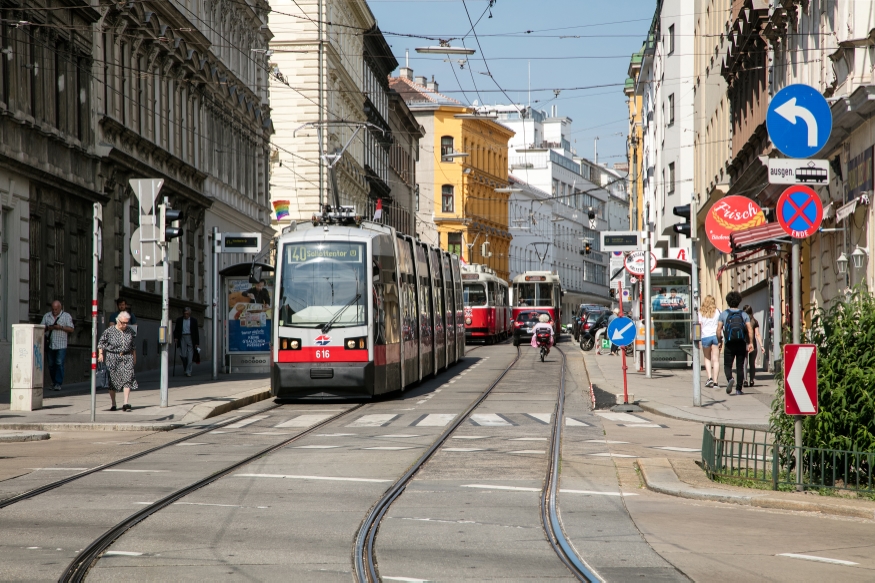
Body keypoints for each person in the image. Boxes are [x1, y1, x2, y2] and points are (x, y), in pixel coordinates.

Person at [97, 311, 138, 411]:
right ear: (117, 321)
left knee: (128, 379)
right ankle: (113, 403)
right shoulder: (109, 331)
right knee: (112, 382)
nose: (125, 325)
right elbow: (101, 342)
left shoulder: (130, 331)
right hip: (113, 357)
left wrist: (134, 357)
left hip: (127, 357)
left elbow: (133, 346)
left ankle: (125, 403)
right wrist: (100, 354)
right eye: (123, 322)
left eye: (126, 322)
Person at [716, 291, 754, 395]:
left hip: (729, 343)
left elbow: (718, 329)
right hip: (741, 342)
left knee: (727, 365)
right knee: (740, 366)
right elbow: (750, 329)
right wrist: (750, 343)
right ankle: (738, 389)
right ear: (739, 301)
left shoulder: (724, 314)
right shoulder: (743, 314)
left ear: (728, 301)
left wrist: (719, 341)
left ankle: (729, 379)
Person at [41, 300, 74, 391]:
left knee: (59, 363)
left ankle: (58, 383)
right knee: (51, 365)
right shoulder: (47, 316)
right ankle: (54, 382)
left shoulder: (66, 316)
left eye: (56, 309)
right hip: (50, 344)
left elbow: (71, 329)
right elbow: (40, 328)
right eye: (53, 309)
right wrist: (49, 328)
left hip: (61, 344)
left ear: (60, 308)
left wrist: (61, 327)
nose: (54, 311)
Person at [699, 295, 721, 388]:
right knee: (716, 360)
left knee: (707, 358)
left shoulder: (701, 312)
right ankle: (716, 382)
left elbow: (699, 326)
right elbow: (720, 325)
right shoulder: (718, 311)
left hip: (705, 336)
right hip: (715, 336)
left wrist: (699, 340)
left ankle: (709, 378)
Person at [742, 305, 765, 387]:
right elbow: (757, 334)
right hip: (753, 344)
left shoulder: (742, 321)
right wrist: (762, 346)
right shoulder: (754, 321)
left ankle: (745, 380)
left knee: (744, 363)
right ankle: (751, 380)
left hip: (744, 343)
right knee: (752, 364)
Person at [173, 307, 200, 377]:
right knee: (183, 355)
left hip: (190, 337)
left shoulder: (194, 320)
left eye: (187, 314)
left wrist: (197, 343)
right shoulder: (179, 320)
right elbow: (176, 330)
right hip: (182, 337)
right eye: (185, 314)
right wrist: (175, 337)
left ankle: (188, 371)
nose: (186, 315)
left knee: (190, 356)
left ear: (190, 314)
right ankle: (185, 367)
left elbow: (196, 332)